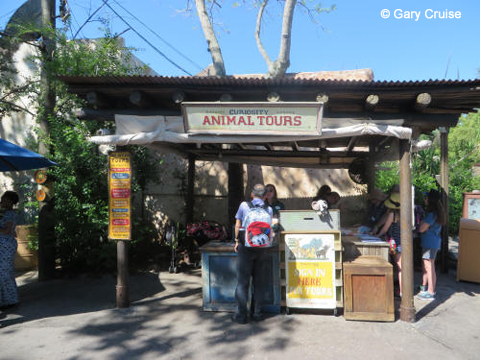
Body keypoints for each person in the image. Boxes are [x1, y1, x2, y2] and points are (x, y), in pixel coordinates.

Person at [232, 184, 273, 324]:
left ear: (252, 194)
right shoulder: (269, 209)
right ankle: (256, 313)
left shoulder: (244, 206)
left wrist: (237, 240)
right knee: (259, 283)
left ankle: (241, 316)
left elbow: (238, 225)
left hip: (246, 248)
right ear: (265, 195)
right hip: (263, 249)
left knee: (243, 283)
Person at [416, 190, 446, 301]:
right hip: (432, 242)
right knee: (426, 266)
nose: (425, 200)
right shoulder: (436, 214)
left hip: (430, 243)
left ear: (431, 200)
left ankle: (431, 291)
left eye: (426, 198)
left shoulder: (431, 215)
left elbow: (422, 228)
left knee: (429, 267)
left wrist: (420, 225)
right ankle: (424, 287)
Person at [374, 192, 403, 297]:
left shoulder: (392, 214)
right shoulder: (403, 213)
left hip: (394, 242)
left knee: (397, 266)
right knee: (400, 267)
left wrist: (377, 235)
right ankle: (401, 290)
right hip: (402, 241)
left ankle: (400, 291)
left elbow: (385, 228)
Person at [0, 191, 20, 310]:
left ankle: (11, 299)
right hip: (4, 245)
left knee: (4, 273)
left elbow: (7, 231)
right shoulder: (5, 213)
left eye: (3, 199)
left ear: (10, 202)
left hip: (6, 245)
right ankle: (4, 301)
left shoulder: (10, 214)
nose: (1, 201)